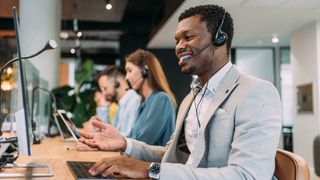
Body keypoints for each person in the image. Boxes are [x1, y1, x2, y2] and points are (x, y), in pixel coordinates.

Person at [77, 4, 282, 179]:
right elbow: (171, 155)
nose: (179, 47)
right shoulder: (191, 98)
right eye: (177, 40)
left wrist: (151, 170)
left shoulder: (256, 92)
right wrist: (125, 144)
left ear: (220, 39)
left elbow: (247, 175)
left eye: (188, 37)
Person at [89, 66, 141, 137]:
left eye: (105, 88)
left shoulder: (134, 101)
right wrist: (100, 122)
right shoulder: (121, 105)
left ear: (117, 83)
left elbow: (129, 136)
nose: (103, 94)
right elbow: (112, 131)